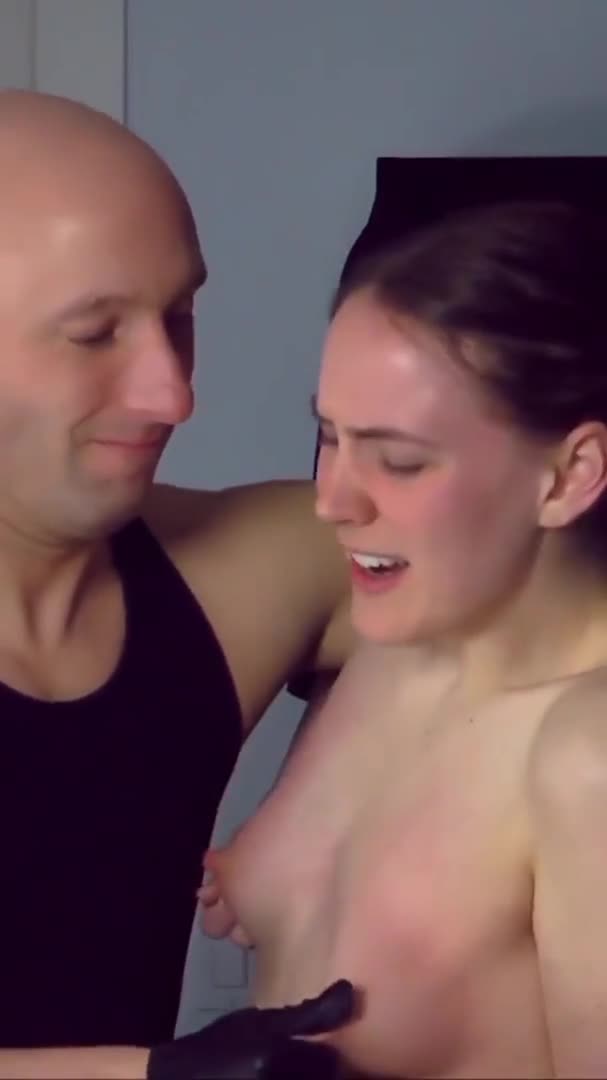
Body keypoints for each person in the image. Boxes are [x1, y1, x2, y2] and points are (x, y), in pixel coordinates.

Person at [201, 199, 607, 1078]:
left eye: (399, 460)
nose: (331, 501)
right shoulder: (392, 643)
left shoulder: (587, 754)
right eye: (328, 436)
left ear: (568, 475)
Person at [0, 89, 358, 1078]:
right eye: (94, 334)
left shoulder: (248, 573)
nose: (173, 394)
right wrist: (155, 1076)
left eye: (180, 316)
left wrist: (326, 788)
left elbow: (529, 570)